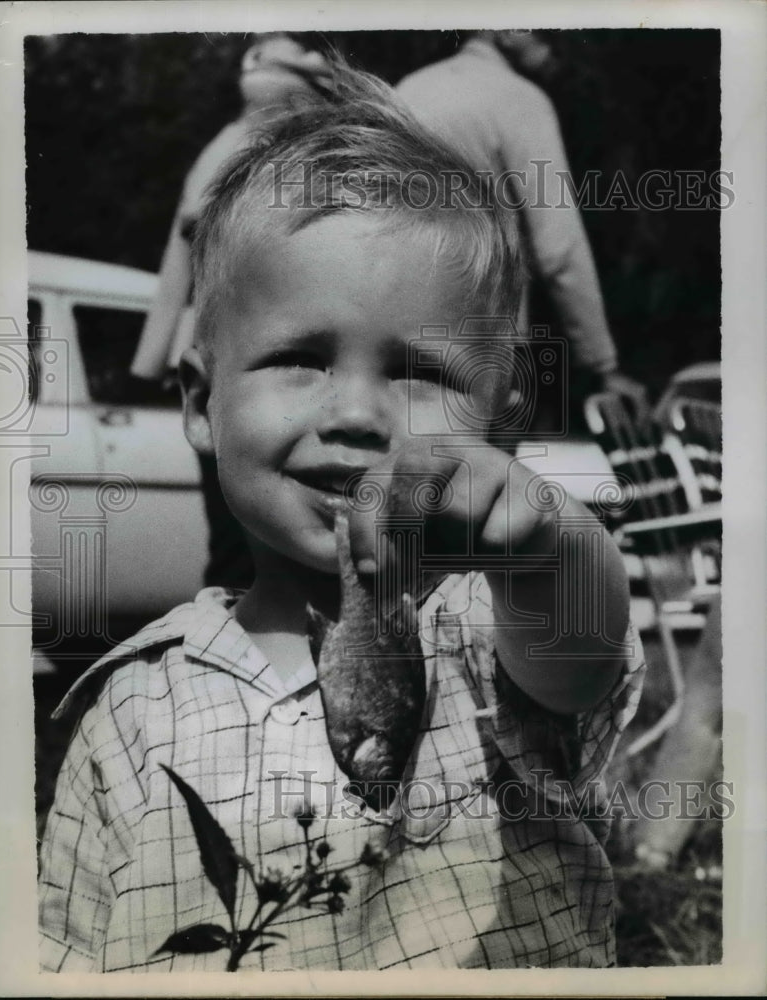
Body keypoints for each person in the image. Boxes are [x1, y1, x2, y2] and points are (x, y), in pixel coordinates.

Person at [38, 65, 645, 972]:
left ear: (499, 418)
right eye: (301, 358)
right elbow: (67, 951)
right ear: (201, 403)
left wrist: (549, 548)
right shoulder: (129, 708)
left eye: (422, 372)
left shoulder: (485, 630)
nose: (358, 414)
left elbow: (576, 657)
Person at [131, 33, 334, 589]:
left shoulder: (225, 145)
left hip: (216, 350)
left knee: (243, 532)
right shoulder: (259, 156)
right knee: (246, 538)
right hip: (236, 351)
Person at [396, 30, 646, 426]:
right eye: (547, 32)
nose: (556, 45)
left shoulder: (407, 89)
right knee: (486, 462)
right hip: (482, 337)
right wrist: (603, 364)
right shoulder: (519, 99)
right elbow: (559, 249)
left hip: (395, 330)